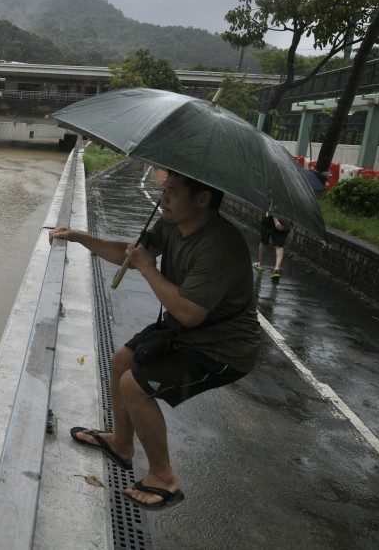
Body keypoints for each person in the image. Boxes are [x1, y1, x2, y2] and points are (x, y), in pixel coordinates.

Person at [48, 170, 259, 511]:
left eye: (172, 191)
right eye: (164, 189)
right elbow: (130, 255)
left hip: (220, 348)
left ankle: (164, 478)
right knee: (121, 361)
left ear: (202, 199)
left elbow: (190, 312)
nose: (163, 197)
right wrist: (78, 237)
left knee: (134, 386)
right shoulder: (173, 223)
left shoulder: (220, 247)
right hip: (185, 331)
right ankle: (120, 443)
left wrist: (148, 268)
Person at [254, 212, 290, 280]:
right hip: (284, 222)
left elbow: (273, 207)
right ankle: (277, 268)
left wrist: (276, 221)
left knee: (263, 242)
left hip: (269, 219)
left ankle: (261, 264)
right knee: (279, 246)